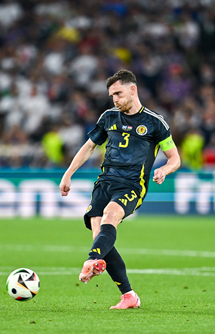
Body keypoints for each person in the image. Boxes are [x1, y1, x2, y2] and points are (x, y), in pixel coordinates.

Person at [59, 69, 181, 309]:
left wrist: (164, 170)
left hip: (132, 184)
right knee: (100, 237)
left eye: (118, 93)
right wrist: (68, 173)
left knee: (110, 216)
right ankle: (129, 296)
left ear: (133, 89)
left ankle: (91, 260)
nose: (114, 99)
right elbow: (89, 146)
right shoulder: (108, 117)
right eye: (112, 95)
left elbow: (175, 158)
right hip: (105, 182)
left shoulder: (155, 122)